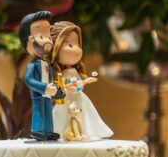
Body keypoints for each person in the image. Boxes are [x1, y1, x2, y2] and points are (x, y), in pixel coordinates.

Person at [49, 21, 113, 142]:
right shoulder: (61, 74)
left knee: (83, 115)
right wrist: (66, 87)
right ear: (56, 48)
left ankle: (82, 132)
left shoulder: (75, 71)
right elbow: (62, 84)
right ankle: (66, 133)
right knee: (65, 116)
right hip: (67, 99)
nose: (77, 50)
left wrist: (87, 80)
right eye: (70, 45)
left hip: (78, 97)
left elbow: (79, 82)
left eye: (78, 45)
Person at [20, 11, 62, 141]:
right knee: (39, 110)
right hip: (39, 93)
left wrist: (54, 88)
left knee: (48, 111)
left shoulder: (46, 63)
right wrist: (44, 88)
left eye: (48, 37)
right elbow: (28, 79)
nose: (48, 42)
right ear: (29, 41)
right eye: (41, 36)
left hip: (48, 93)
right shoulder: (32, 65)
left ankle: (48, 131)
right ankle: (37, 130)